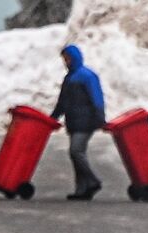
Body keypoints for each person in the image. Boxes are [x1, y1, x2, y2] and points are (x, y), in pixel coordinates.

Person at [51, 44, 106, 201]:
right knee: (76, 155)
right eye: (64, 59)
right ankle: (82, 189)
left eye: (67, 58)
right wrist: (52, 119)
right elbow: (62, 103)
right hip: (74, 122)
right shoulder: (69, 78)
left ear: (74, 58)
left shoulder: (87, 76)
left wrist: (99, 118)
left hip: (86, 122)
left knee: (76, 152)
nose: (65, 62)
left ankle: (93, 181)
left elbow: (97, 99)